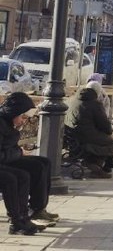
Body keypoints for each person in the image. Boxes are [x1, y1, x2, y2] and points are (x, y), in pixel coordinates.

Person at [0, 92, 59, 235]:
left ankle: (34, 211)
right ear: (14, 113)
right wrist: (19, 153)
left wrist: (18, 151)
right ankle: (18, 221)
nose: (24, 121)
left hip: (8, 159)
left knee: (41, 164)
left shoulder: (7, 123)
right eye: (22, 116)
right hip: (6, 161)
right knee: (17, 177)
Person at [65, 82, 113, 178]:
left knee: (105, 137)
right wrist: (111, 132)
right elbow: (104, 124)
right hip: (84, 137)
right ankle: (95, 165)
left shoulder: (72, 99)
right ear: (97, 92)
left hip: (71, 136)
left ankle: (101, 164)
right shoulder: (94, 103)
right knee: (110, 141)